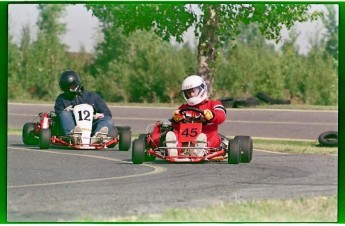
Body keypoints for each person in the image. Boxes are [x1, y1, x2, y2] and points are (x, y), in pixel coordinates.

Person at [148, 75, 227, 157]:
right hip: (184, 139)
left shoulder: (213, 104)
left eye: (194, 91)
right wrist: (176, 120)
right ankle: (173, 150)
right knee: (174, 134)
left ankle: (200, 150)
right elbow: (175, 126)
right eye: (188, 92)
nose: (191, 94)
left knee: (210, 137)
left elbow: (221, 115)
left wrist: (212, 115)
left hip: (207, 135)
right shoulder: (183, 108)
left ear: (202, 89)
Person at [54, 70, 115, 141]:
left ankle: (98, 136)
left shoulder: (93, 97)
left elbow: (107, 114)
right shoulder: (61, 99)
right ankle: (73, 136)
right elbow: (58, 115)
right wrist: (68, 111)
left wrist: (97, 116)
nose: (69, 90)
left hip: (91, 126)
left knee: (108, 120)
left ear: (77, 84)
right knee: (64, 114)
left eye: (71, 86)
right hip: (73, 125)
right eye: (66, 87)